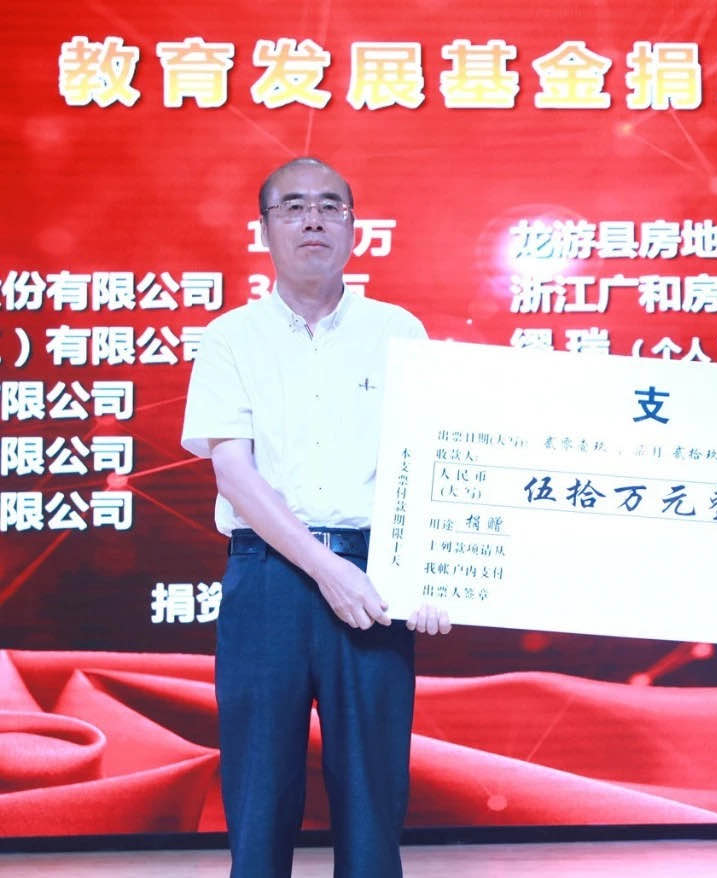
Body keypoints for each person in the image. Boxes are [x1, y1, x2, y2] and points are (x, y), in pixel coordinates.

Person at [181, 157, 450, 877]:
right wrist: (327, 568)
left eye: (331, 207)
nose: (313, 221)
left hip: (375, 578)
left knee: (372, 796)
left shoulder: (399, 331)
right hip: (267, 580)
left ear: (355, 229)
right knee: (259, 791)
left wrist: (428, 573)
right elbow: (234, 473)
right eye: (294, 207)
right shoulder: (230, 337)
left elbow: (425, 463)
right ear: (264, 228)